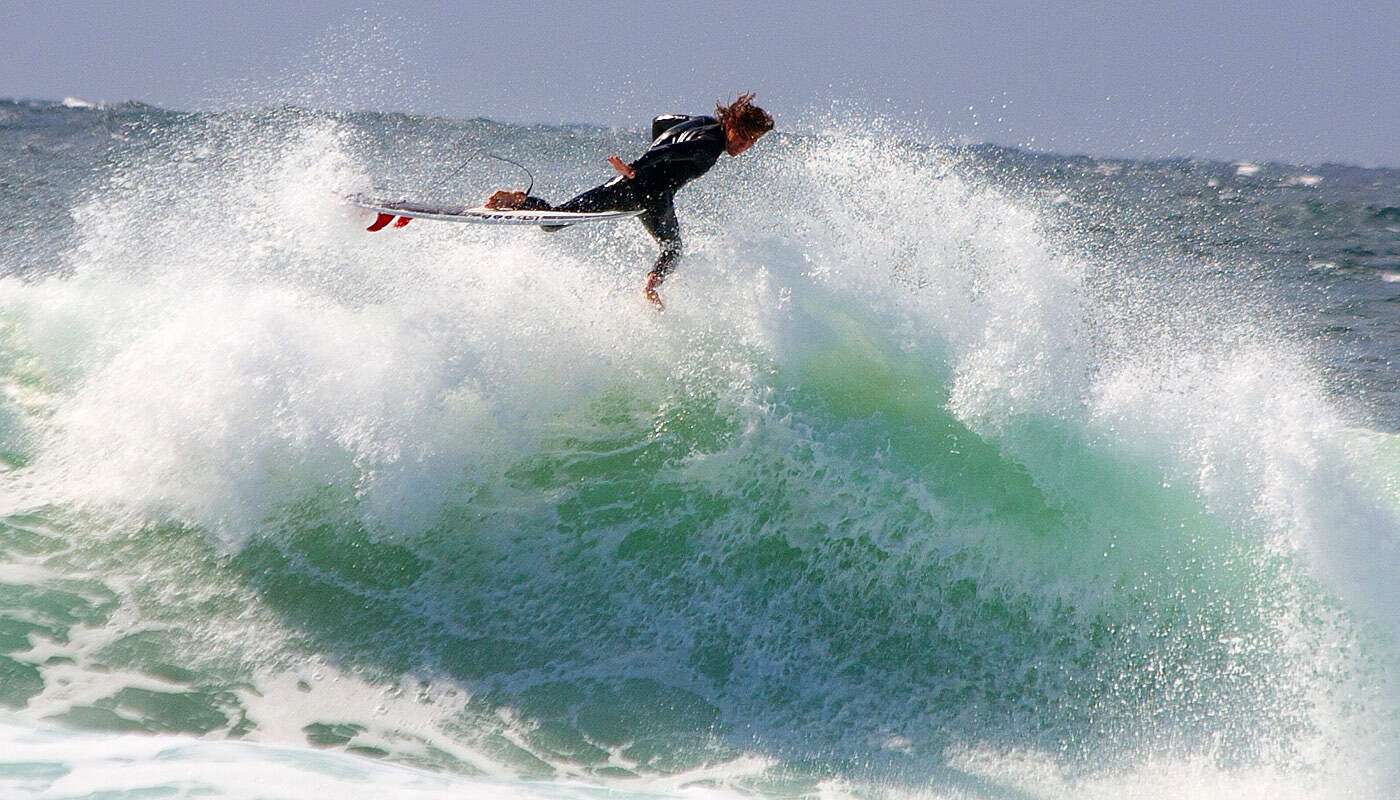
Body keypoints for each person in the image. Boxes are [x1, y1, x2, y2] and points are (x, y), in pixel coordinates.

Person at [486, 92, 774, 310]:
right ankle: (651, 287)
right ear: (732, 122)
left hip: (624, 186)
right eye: (743, 136)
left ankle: (520, 200)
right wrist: (638, 166)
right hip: (651, 198)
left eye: (752, 142)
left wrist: (635, 171)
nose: (744, 145)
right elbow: (671, 151)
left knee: (555, 220)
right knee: (673, 249)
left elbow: (661, 122)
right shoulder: (710, 147)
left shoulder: (702, 123)